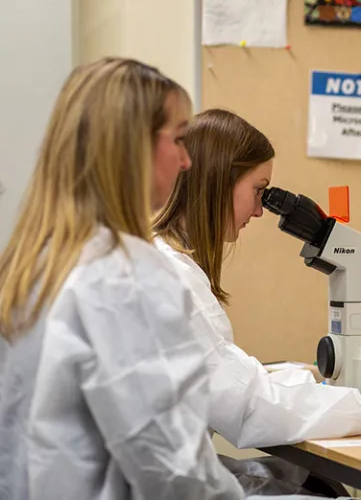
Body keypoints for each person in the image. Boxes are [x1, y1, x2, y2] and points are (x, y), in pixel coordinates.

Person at [0, 58, 245, 499]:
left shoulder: (32, 264)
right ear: (132, 146)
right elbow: (173, 468)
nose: (187, 161)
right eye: (179, 139)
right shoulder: (123, 275)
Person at [152, 109, 361, 451]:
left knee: (298, 477)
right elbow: (248, 407)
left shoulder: (164, 264)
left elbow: (239, 380)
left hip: (169, 465)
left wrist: (322, 396)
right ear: (219, 181)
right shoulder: (172, 280)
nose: (259, 210)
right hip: (165, 473)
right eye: (258, 190)